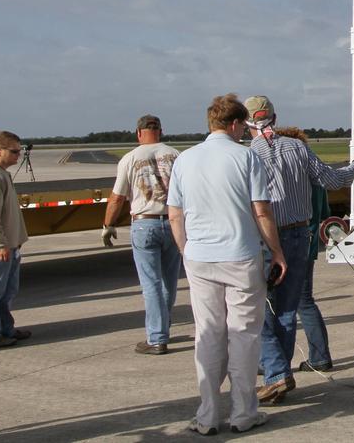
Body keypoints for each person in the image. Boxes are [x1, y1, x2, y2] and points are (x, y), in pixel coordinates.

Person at [242, 96, 354, 404]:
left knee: (258, 308)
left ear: (246, 123)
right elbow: (332, 180)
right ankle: (281, 372)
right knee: (289, 308)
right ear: (274, 118)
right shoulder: (298, 147)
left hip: (266, 236)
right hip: (300, 235)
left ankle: (275, 371)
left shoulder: (250, 156)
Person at [167, 94, 287, 435]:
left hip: (199, 258)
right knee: (244, 336)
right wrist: (276, 251)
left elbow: (175, 214)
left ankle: (207, 416)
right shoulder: (247, 158)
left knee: (208, 334)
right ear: (235, 124)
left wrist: (186, 249)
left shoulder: (185, 160)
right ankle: (243, 413)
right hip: (239, 255)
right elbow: (261, 210)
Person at [102, 114, 182, 355]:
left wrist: (108, 224)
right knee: (169, 282)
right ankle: (163, 327)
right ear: (161, 131)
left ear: (138, 133)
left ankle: (157, 337)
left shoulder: (129, 158)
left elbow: (117, 197)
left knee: (151, 284)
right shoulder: (176, 155)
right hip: (173, 222)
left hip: (145, 223)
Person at [275, 126, 333, 374]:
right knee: (305, 301)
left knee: (286, 304)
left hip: (290, 240)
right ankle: (319, 355)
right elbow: (326, 214)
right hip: (308, 244)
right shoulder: (314, 174)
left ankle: (275, 360)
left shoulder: (287, 175)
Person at [0, 131, 30, 349]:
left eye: (19, 151)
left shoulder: (2, 174)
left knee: (6, 292)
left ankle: (6, 329)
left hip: (10, 246)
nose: (18, 155)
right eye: (14, 151)